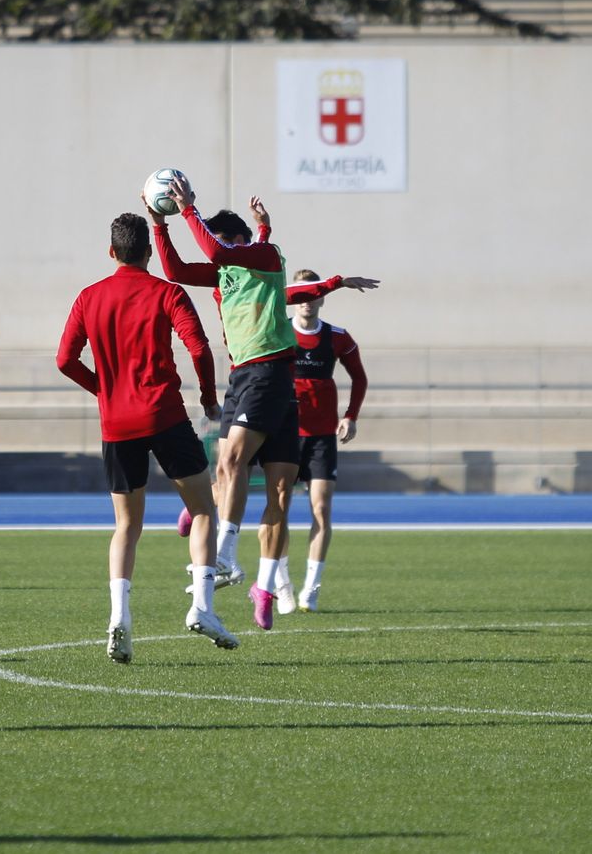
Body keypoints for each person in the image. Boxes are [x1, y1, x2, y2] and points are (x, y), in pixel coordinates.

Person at [150, 177, 375, 631]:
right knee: (238, 469)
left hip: (269, 371)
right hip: (245, 376)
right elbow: (175, 269)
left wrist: (189, 209)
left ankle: (233, 559)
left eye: (220, 237)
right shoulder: (227, 272)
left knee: (246, 470)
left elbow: (221, 253)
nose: (213, 244)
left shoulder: (262, 256)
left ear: (239, 239)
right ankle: (218, 531)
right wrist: (160, 223)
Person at [57, 212, 239, 661]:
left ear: (112, 251)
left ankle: (119, 616)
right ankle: (202, 606)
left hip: (117, 424)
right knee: (201, 511)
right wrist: (210, 400)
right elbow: (198, 348)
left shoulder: (89, 297)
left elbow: (64, 359)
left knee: (126, 526)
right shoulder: (168, 292)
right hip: (165, 416)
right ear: (149, 252)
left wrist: (104, 388)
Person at [271, 269, 367, 615]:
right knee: (278, 512)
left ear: (322, 298)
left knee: (321, 511)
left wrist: (350, 416)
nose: (307, 302)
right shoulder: (279, 331)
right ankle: (281, 585)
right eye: (301, 296)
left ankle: (311, 589)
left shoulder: (338, 337)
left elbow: (359, 377)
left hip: (322, 436)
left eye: (313, 296)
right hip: (285, 434)